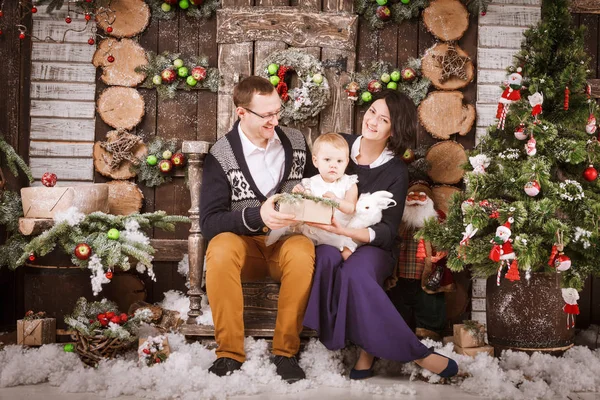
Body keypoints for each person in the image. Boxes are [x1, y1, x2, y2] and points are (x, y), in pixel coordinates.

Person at [303, 90, 458, 380]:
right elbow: (311, 186)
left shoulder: (396, 170)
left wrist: (348, 232)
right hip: (328, 237)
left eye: (383, 119)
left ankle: (413, 353)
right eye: (372, 111)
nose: (372, 121)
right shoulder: (340, 145)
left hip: (372, 246)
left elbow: (387, 231)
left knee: (355, 273)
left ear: (394, 130)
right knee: (324, 260)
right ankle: (351, 345)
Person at [199, 76, 317, 383]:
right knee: (220, 247)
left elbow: (317, 188)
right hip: (245, 249)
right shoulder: (221, 155)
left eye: (278, 112)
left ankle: (286, 353)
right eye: (266, 116)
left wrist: (311, 199)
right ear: (242, 113)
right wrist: (257, 215)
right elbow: (210, 222)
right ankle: (229, 353)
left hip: (285, 246)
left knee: (303, 249)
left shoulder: (297, 142)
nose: (274, 120)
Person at [387, 182, 455, 342]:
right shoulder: (399, 222)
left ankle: (428, 337)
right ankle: (400, 337)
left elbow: (446, 244)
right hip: (400, 276)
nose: (416, 200)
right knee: (398, 307)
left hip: (426, 278)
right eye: (412, 196)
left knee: (429, 308)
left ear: (429, 201)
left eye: (421, 196)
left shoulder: (436, 221)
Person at [289, 132, 359, 260]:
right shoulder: (309, 183)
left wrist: (336, 201)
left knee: (348, 255)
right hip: (313, 233)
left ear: (346, 162)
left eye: (339, 161)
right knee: (304, 253)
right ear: (315, 161)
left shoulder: (349, 183)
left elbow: (351, 208)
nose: (333, 165)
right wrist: (298, 194)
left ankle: (341, 277)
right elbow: (302, 206)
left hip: (337, 232)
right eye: (327, 160)